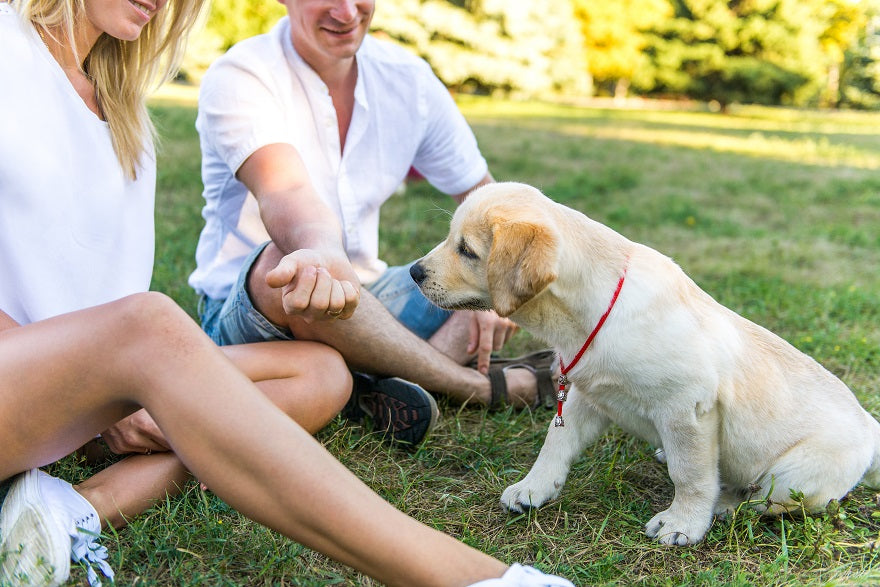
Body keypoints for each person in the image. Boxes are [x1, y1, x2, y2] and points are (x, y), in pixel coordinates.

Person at [0, 1, 575, 586]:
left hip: (76, 389)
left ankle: (69, 509)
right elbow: (283, 184)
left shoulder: (120, 106)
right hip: (45, 374)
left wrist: (327, 252)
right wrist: (81, 386)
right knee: (153, 326)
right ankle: (476, 578)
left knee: (323, 376)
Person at [189, 0, 558, 447]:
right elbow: (285, 192)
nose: (346, 13)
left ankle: (363, 387)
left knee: (471, 280)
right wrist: (324, 255)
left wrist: (490, 286)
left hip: (367, 298)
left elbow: (487, 201)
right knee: (292, 265)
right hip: (257, 313)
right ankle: (473, 387)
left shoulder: (409, 79)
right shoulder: (243, 75)